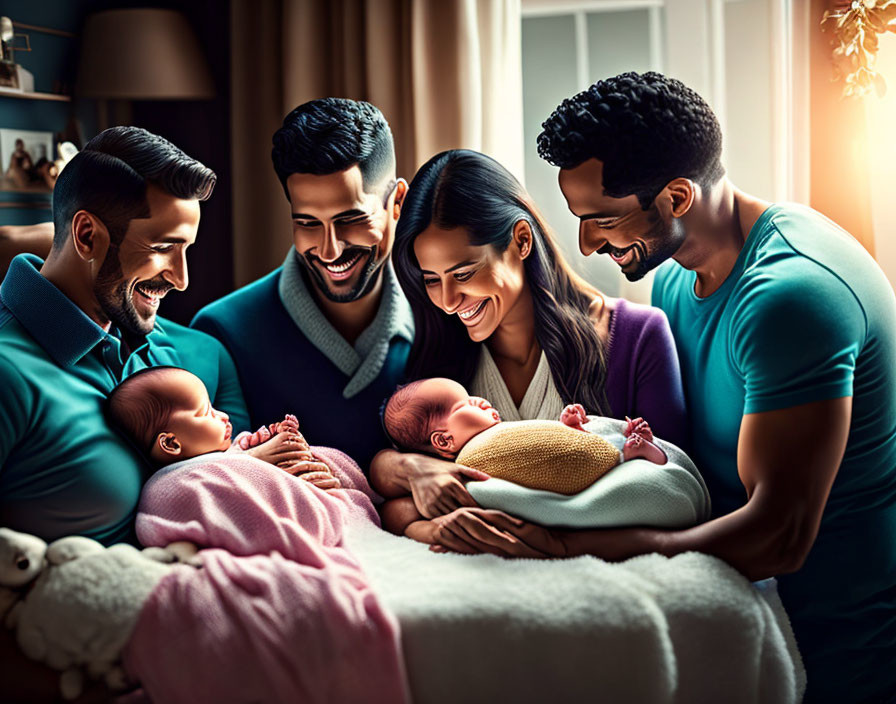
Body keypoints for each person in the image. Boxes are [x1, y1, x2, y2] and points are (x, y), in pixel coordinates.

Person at [432, 72, 894, 702]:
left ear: (677, 197)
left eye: (603, 220)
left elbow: (777, 537)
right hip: (739, 617)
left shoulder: (791, 298)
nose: (587, 244)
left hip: (845, 643)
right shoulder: (675, 275)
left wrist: (566, 546)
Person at [369, 149, 687, 535]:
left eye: (465, 273)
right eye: (432, 280)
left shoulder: (637, 337)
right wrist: (423, 503)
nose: (448, 301)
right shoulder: (439, 355)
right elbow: (391, 503)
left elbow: (675, 491)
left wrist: (550, 543)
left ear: (521, 241)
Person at [191, 98, 411, 471]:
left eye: (351, 219)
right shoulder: (221, 333)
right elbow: (216, 486)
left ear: (397, 203)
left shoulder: (446, 315)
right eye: (307, 222)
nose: (330, 249)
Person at [379, 377, 672, 544]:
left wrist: (573, 428)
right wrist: (430, 530)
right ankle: (630, 454)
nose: (479, 399)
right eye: (465, 403)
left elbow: (550, 448)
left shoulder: (501, 439)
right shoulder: (469, 469)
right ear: (443, 441)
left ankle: (631, 452)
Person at [106, 366, 339, 490]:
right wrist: (253, 460)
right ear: (171, 443)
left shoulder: (234, 447)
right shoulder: (177, 483)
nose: (224, 416)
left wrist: (280, 440)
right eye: (206, 412)